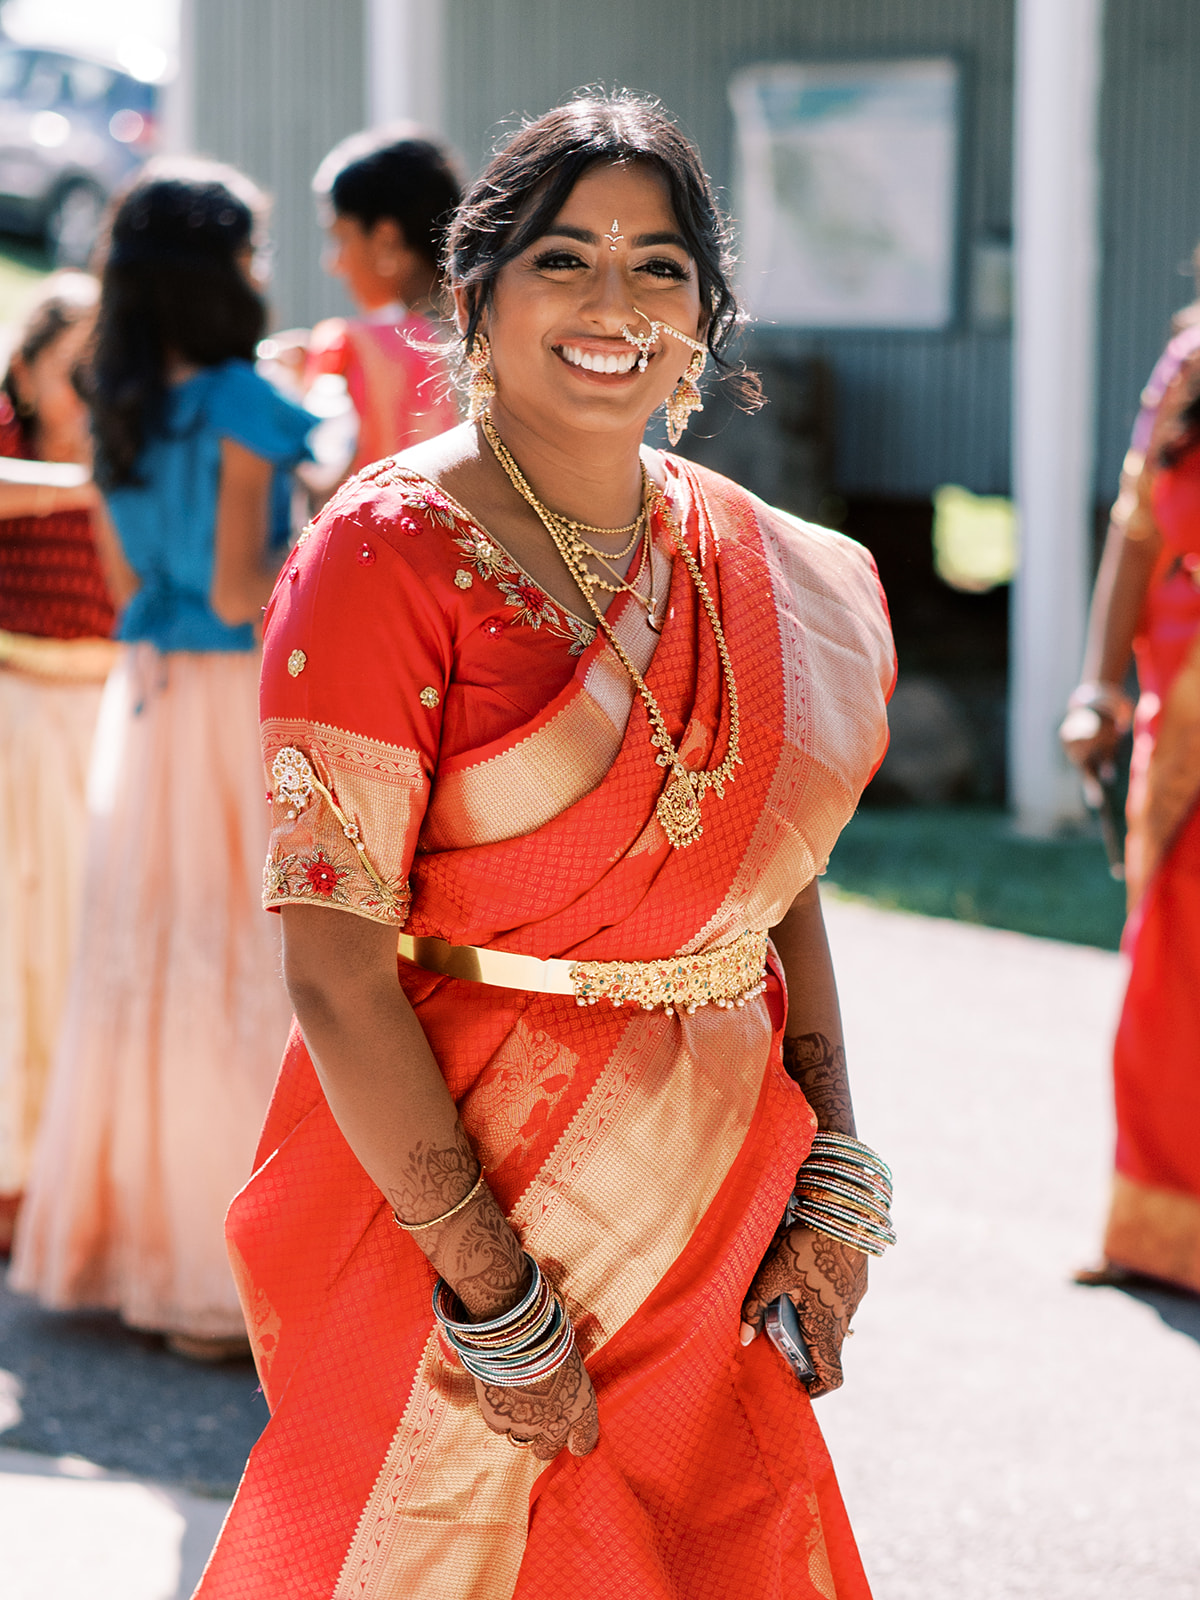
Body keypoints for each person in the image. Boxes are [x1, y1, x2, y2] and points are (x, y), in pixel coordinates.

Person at [197, 94, 896, 1598]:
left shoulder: (761, 558)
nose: (614, 305)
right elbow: (332, 970)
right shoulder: (384, 555)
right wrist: (497, 1292)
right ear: (475, 300)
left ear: (706, 317)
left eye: (659, 268)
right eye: (564, 259)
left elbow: (780, 879)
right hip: (464, 1202)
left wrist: (833, 1169)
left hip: (713, 1182)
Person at [9, 160, 316, 1356]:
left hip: (144, 708)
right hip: (235, 701)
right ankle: (217, 1278)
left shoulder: (114, 393)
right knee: (246, 961)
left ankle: (138, 1252)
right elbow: (246, 586)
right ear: (218, 273)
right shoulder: (248, 401)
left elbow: (133, 583)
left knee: (148, 960)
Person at [1063, 287, 1200, 1298]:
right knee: (1170, 969)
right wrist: (1095, 685)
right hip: (1182, 709)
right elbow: (1137, 528)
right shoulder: (1189, 361)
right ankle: (1158, 1235)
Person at [0, 272, 117, 1254]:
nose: (84, 388)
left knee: (88, 948)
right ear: (27, 369)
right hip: (18, 711)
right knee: (21, 947)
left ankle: (77, 1171)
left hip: (113, 717)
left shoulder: (131, 450)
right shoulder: (13, 441)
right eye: (69, 366)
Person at [305, 126, 461, 478]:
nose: (334, 263)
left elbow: (333, 495)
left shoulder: (351, 348)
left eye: (339, 238)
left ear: (387, 241)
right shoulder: (500, 329)